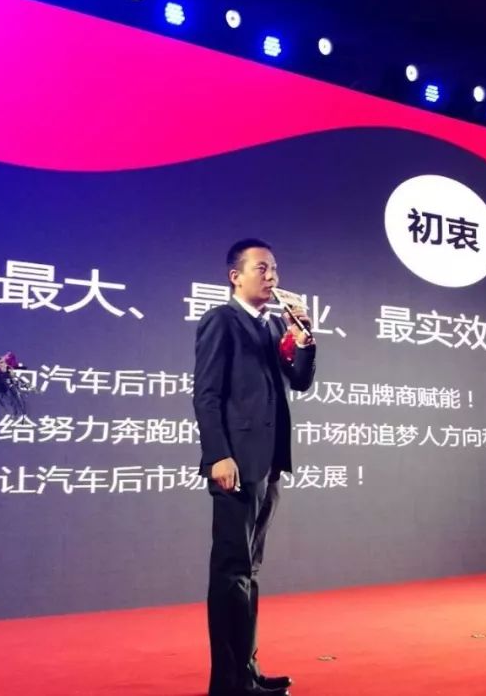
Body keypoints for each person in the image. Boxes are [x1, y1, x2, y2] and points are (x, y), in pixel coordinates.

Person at [193, 238, 317, 696]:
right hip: (235, 464)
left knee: (249, 571)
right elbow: (206, 395)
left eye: (274, 268)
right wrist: (217, 455)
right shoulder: (221, 321)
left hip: (268, 463)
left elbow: (299, 381)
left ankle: (246, 670)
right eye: (261, 268)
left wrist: (304, 341)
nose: (272, 276)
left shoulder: (273, 326)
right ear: (235, 276)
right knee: (232, 571)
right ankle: (228, 683)